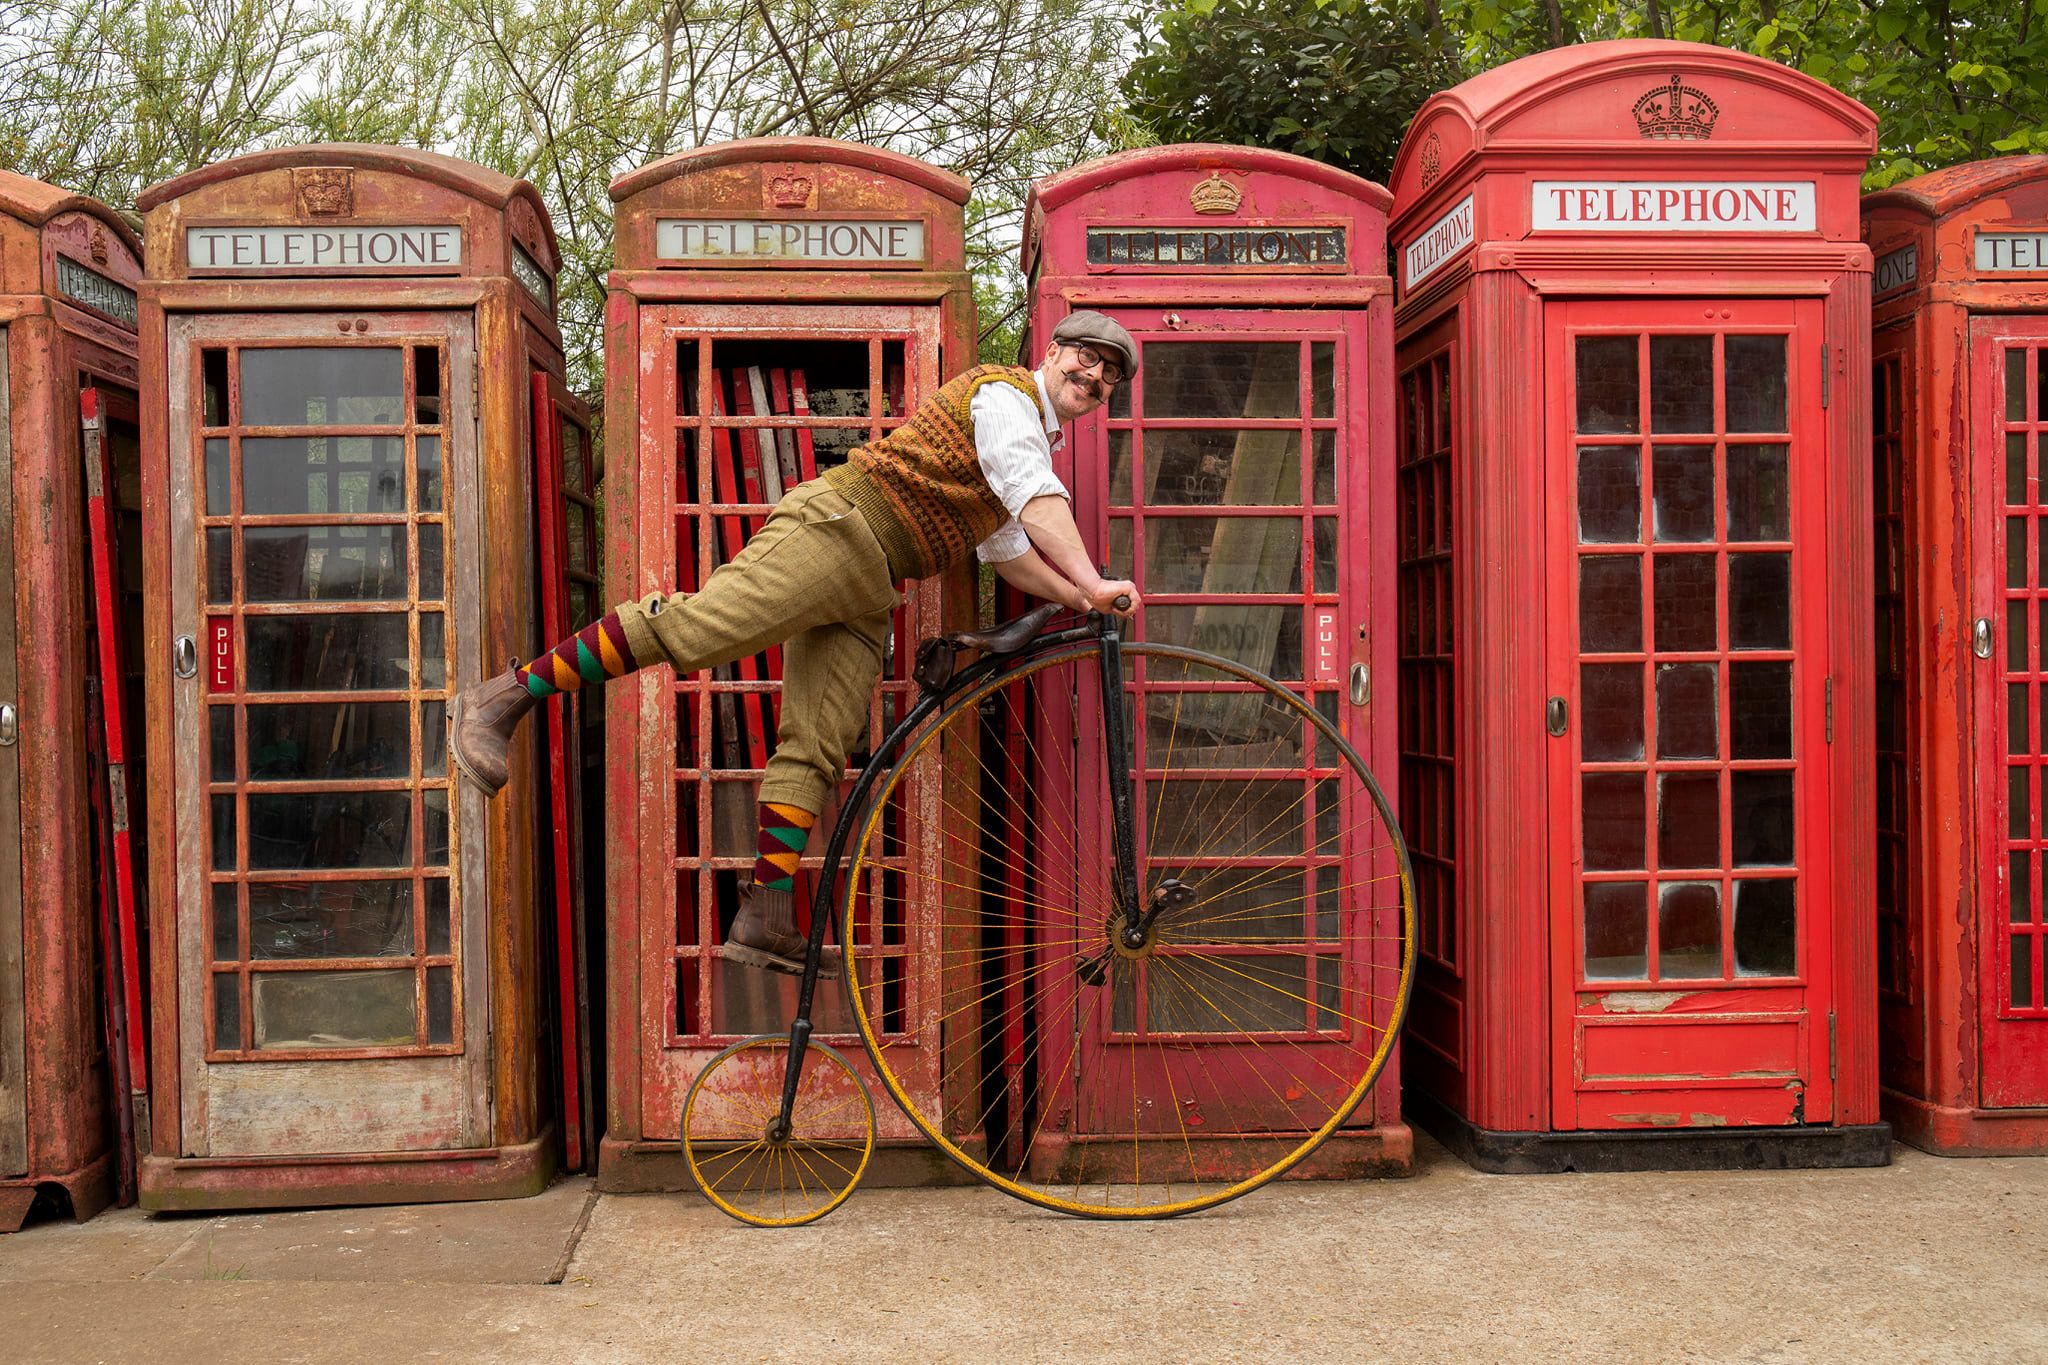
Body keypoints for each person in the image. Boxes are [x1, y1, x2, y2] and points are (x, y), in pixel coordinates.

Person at [448, 310, 1142, 974]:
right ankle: (502, 697)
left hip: (873, 579)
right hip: (840, 527)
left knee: (819, 741)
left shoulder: (1031, 433)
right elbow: (1036, 501)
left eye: (1109, 374)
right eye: (1086, 357)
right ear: (1052, 352)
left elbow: (1009, 551)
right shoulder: (1006, 398)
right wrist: (1092, 577)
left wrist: (1083, 597)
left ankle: (766, 913)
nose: (1093, 376)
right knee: (700, 627)